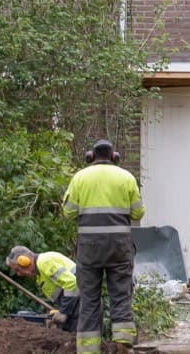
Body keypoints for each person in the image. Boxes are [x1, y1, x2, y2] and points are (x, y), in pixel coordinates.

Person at [63, 139, 145, 353]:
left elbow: (69, 212)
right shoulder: (126, 177)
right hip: (120, 247)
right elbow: (138, 212)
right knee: (121, 295)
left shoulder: (80, 177)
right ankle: (123, 344)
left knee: (89, 299)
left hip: (89, 248)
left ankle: (89, 349)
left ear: (91, 157)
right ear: (114, 157)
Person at [6, 245, 79, 332]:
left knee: (82, 337)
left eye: (17, 269)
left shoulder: (44, 262)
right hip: (78, 303)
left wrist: (64, 311)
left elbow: (72, 283)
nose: (19, 274)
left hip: (83, 302)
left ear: (25, 261)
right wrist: (59, 311)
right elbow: (64, 291)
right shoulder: (40, 273)